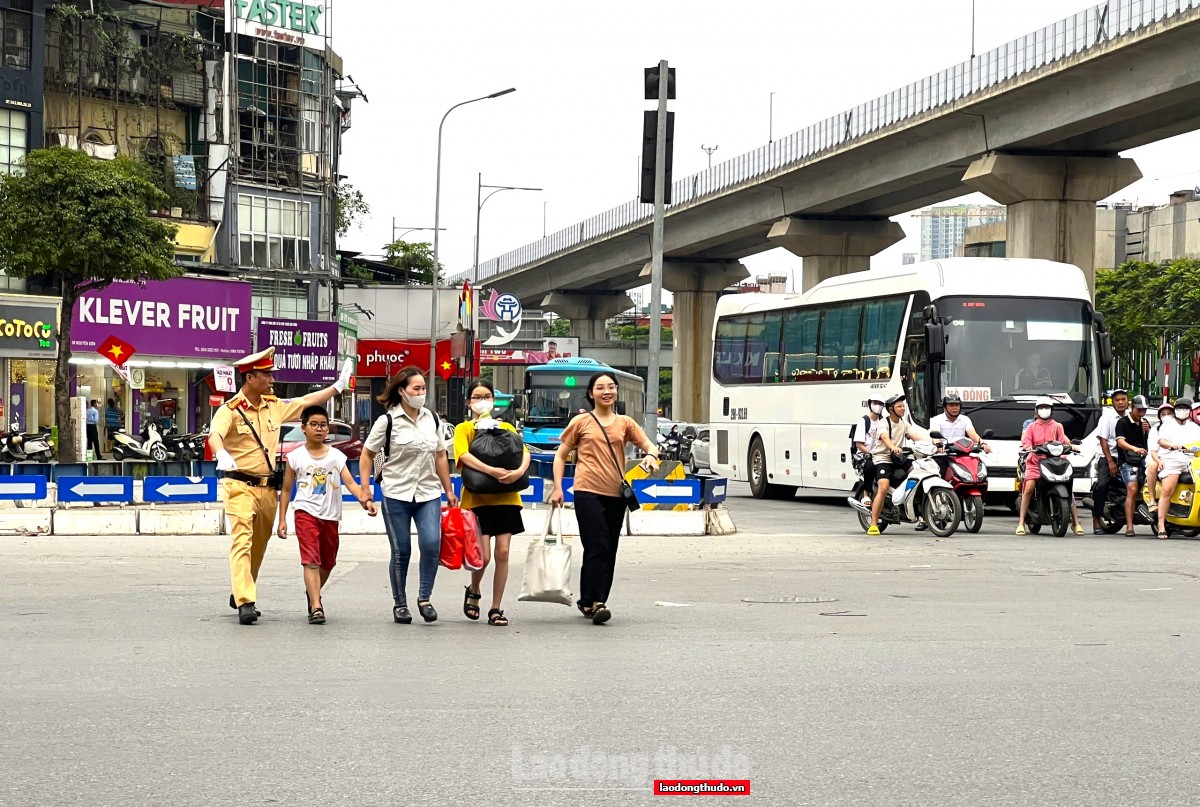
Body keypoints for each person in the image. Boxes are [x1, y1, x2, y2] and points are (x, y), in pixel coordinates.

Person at [208, 347, 354, 625]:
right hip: (239, 484)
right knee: (242, 540)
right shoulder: (230, 410)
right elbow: (215, 434)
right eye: (267, 374)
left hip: (267, 488)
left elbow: (306, 400)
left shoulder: (273, 406)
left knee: (259, 544)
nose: (272, 379)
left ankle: (242, 585)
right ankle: (245, 600)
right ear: (251, 378)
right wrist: (221, 453)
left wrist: (336, 387)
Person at [548, 371, 660, 624]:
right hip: (587, 491)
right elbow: (560, 455)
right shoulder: (581, 422)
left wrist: (651, 457)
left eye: (611, 387)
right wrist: (557, 488)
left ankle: (588, 600)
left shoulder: (625, 423)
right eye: (600, 387)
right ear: (591, 393)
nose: (606, 391)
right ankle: (599, 603)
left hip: (616, 494)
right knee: (597, 544)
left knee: (607, 549)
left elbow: (650, 446)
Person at [358, 367, 458, 625]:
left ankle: (424, 598)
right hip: (396, 493)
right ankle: (400, 603)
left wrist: (448, 490)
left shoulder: (432, 419)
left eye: (423, 388)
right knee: (402, 550)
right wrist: (365, 488)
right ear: (402, 391)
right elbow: (367, 454)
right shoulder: (387, 421)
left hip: (428, 493)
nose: (421, 393)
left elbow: (439, 455)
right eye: (416, 388)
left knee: (431, 544)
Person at [277, 405, 376, 624]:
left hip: (331, 516)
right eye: (314, 424)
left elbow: (350, 482)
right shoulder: (294, 457)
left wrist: (365, 500)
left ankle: (312, 593)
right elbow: (286, 489)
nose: (319, 429)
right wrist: (282, 519)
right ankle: (316, 605)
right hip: (305, 512)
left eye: (323, 425)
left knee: (328, 562)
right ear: (304, 428)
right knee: (310, 560)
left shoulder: (337, 457)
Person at [453, 379, 531, 627]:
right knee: (483, 556)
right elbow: (463, 456)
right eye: (476, 397)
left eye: (486, 396)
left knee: (504, 552)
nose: (482, 400)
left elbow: (524, 450)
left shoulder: (506, 426)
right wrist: (493, 470)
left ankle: (496, 608)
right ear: (469, 402)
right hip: (477, 499)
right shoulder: (464, 428)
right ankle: (474, 590)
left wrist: (518, 472)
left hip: (507, 496)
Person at [1016, 396, 1086, 535]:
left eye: (1047, 408)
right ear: (1036, 411)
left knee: (1068, 488)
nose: (1044, 410)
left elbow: (1062, 442)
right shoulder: (1031, 427)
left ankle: (1076, 523)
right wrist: (1028, 447)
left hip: (1055, 462)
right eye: (1041, 408)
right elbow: (1026, 442)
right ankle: (1021, 522)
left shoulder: (1057, 426)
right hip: (1035, 462)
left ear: (1052, 410)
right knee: (1029, 487)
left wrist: (1070, 448)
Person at [866, 394, 927, 536]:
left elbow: (915, 436)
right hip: (883, 459)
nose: (903, 408)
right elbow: (884, 438)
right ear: (890, 409)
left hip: (899, 457)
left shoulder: (904, 423)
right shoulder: (883, 423)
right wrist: (893, 446)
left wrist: (931, 445)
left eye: (903, 406)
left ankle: (919, 513)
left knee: (920, 472)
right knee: (883, 487)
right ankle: (873, 523)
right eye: (899, 406)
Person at [1153, 397, 1200, 538]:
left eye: (1185, 408)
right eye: (1179, 408)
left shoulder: (1194, 427)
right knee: (1167, 490)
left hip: (1191, 461)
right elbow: (1161, 441)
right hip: (1171, 460)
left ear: (1190, 411)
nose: (1182, 411)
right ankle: (1161, 523)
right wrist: (1172, 445)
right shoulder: (1167, 425)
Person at [1092, 389, 1130, 535]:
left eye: (1123, 399)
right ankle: (1096, 518)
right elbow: (1103, 440)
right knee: (1102, 484)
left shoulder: (1131, 416)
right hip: (1108, 455)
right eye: (1117, 400)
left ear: (1128, 401)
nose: (1120, 402)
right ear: (1113, 402)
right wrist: (1110, 462)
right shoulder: (1107, 417)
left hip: (1127, 456)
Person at [1114, 395, 1150, 536]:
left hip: (1144, 460)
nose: (1141, 413)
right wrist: (1134, 448)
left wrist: (1148, 430)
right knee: (1133, 488)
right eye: (1139, 410)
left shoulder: (1144, 423)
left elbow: (1151, 441)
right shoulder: (1122, 423)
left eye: (1144, 410)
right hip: (1127, 461)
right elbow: (1120, 442)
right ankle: (1129, 527)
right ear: (1132, 407)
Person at [847, 395, 885, 506]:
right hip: (864, 455)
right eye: (875, 402)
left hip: (880, 454)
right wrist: (870, 453)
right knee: (870, 466)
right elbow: (859, 444)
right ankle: (866, 494)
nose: (877, 405)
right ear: (870, 404)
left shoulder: (883, 421)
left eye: (880, 403)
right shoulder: (864, 421)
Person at [928, 393, 993, 449]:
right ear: (944, 407)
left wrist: (983, 443)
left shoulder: (965, 419)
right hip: (943, 453)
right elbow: (935, 438)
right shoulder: (936, 420)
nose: (954, 408)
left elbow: (973, 435)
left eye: (957, 405)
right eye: (951, 405)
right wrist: (938, 445)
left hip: (961, 452)